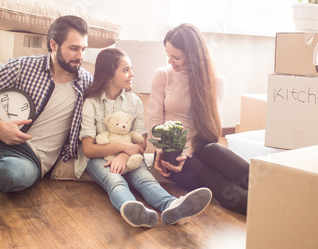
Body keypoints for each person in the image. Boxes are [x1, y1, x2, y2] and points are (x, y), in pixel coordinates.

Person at [0, 15, 93, 211]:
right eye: (74, 48)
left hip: (27, 161)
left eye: (84, 49)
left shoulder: (86, 83)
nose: (80, 55)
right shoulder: (24, 66)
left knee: (7, 172)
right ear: (53, 45)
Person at [78, 48, 212, 228]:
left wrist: (126, 154)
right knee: (115, 180)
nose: (132, 74)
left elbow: (140, 142)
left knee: (145, 178)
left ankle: (172, 206)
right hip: (98, 159)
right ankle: (132, 208)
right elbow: (88, 149)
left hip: (130, 155)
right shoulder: (91, 103)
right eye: (125, 70)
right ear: (109, 75)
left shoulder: (134, 101)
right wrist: (123, 148)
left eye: (131, 68)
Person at [149, 23, 249, 215]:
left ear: (193, 56)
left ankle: (276, 193)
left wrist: (188, 150)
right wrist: (162, 150)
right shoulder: (163, 75)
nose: (170, 61)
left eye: (176, 57)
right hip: (170, 151)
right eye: (167, 54)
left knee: (220, 154)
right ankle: (270, 208)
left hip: (198, 144)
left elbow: (209, 129)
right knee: (217, 182)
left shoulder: (216, 81)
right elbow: (154, 122)